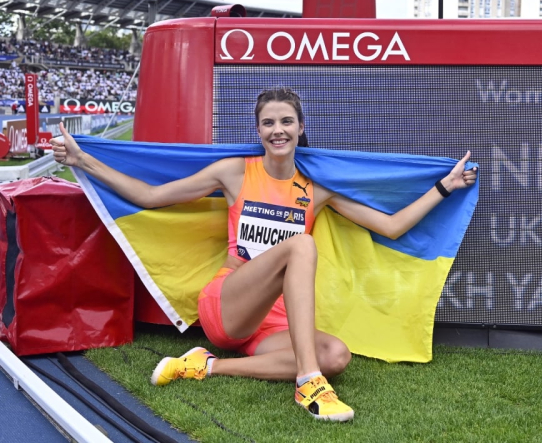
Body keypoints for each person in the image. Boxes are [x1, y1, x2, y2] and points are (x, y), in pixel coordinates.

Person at [52, 87, 477, 422]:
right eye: (268, 122)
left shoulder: (316, 191)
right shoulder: (235, 171)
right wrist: (83, 160)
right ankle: (309, 383)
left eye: (286, 121)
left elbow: (391, 226)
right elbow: (150, 195)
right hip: (228, 304)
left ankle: (205, 366)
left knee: (337, 356)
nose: (278, 130)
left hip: (271, 322)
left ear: (300, 127)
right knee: (302, 244)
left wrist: (445, 187)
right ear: (258, 131)